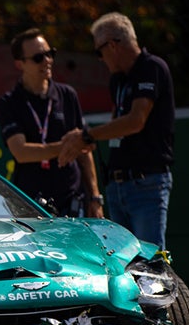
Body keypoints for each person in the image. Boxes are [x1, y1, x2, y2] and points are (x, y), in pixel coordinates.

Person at [60, 13, 174, 250]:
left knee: (148, 262)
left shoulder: (151, 67)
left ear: (112, 45)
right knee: (123, 262)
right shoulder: (118, 80)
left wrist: (87, 136)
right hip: (118, 185)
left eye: (98, 53)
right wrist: (87, 141)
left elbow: (136, 120)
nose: (101, 59)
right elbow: (117, 124)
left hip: (146, 183)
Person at [0, 28, 104, 218]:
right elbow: (21, 152)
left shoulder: (67, 95)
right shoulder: (10, 102)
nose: (47, 61)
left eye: (50, 54)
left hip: (71, 200)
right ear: (20, 64)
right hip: (30, 205)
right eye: (38, 57)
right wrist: (68, 146)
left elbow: (85, 152)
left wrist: (95, 198)